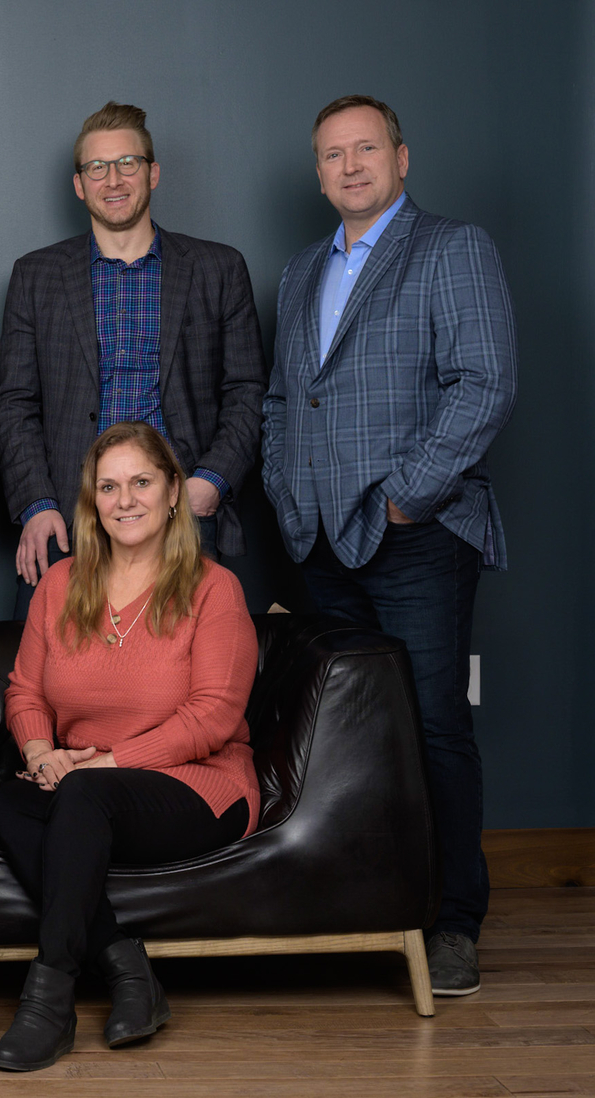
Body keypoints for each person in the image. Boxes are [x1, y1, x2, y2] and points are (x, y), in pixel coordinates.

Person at [262, 95, 517, 997]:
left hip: (418, 537)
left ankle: (453, 922)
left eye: (366, 148)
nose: (350, 165)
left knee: (435, 726)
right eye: (333, 154)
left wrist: (409, 497)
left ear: (401, 159)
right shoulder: (302, 271)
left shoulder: (452, 249)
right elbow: (285, 400)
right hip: (321, 540)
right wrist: (288, 492)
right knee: (357, 731)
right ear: (319, 172)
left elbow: (485, 383)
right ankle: (376, 902)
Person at [0, 421, 258, 1070]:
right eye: (108, 487)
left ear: (173, 492)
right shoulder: (60, 585)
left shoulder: (213, 588)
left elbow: (214, 717)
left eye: (141, 482)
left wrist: (108, 763)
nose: (125, 500)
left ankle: (50, 1002)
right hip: (88, 789)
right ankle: (126, 968)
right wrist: (40, 755)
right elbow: (25, 691)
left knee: (83, 795)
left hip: (199, 786)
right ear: (92, 500)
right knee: (8, 801)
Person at [0, 102, 265, 618]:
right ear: (80, 185)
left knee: (180, 659)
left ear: (152, 173)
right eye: (97, 167)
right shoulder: (36, 276)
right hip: (70, 515)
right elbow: (15, 403)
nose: (113, 179)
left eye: (127, 163)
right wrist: (37, 504)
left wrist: (209, 483)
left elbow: (247, 391)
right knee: (54, 662)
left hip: (182, 512)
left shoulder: (218, 268)